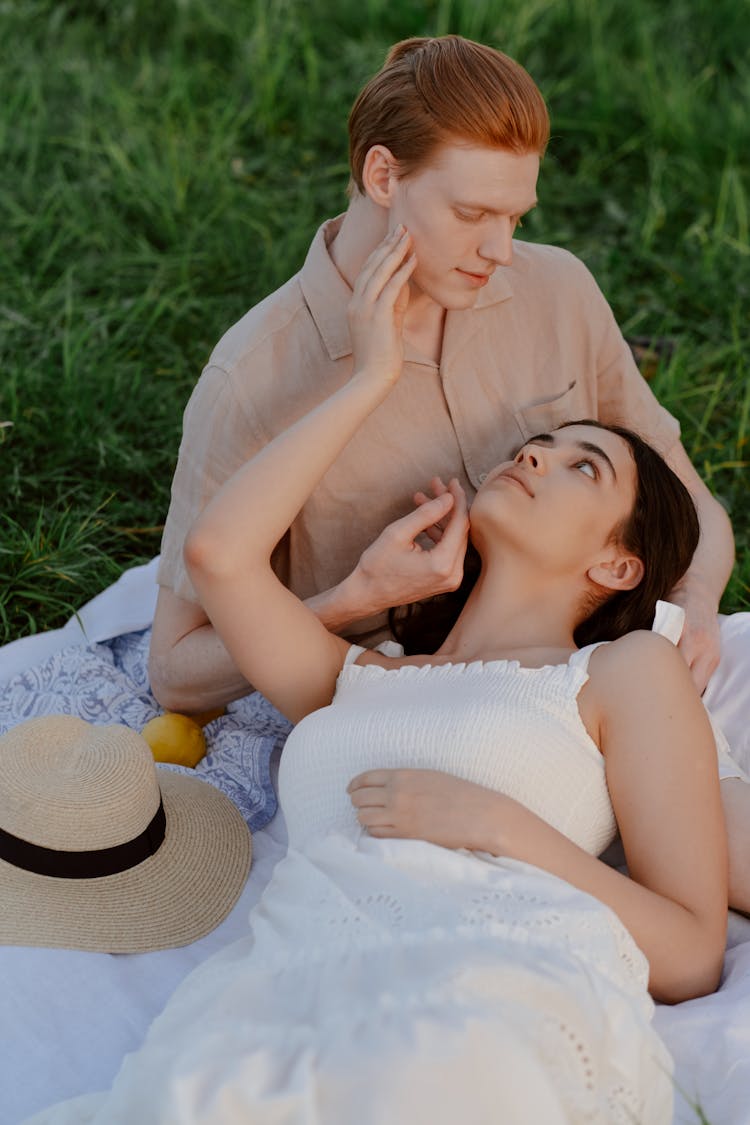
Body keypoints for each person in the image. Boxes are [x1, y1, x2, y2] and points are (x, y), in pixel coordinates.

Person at [32, 228, 727, 1124]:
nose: (537, 456)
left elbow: (692, 950)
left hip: (485, 996)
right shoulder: (359, 674)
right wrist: (371, 378)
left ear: (618, 567)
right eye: (543, 442)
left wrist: (497, 825)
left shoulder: (621, 672)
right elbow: (219, 553)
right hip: (276, 1002)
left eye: (580, 467)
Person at [148, 34, 735, 718]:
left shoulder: (560, 289)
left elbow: (686, 493)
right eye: (471, 213)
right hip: (389, 703)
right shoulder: (252, 376)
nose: (501, 249)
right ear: (383, 177)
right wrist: (355, 598)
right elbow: (175, 673)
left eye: (515, 215)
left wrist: (695, 602)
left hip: (598, 677)